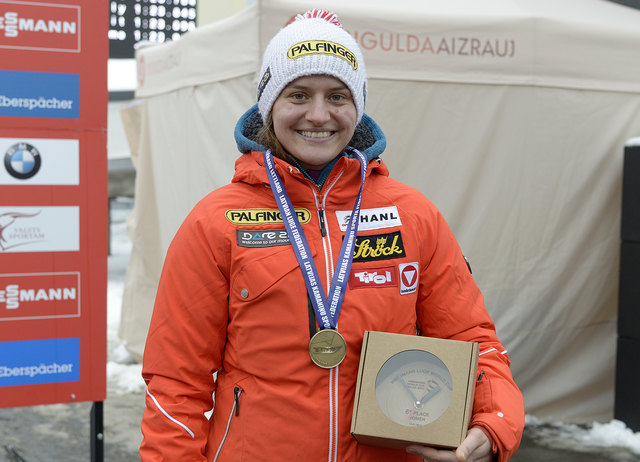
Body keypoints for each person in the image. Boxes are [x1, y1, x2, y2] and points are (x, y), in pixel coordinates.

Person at [140, 8, 524, 462]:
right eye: (298, 94)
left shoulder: (412, 214)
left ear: (357, 107)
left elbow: (471, 338)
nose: (318, 115)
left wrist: (493, 421)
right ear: (268, 105)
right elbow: (175, 380)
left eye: (338, 96)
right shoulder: (216, 222)